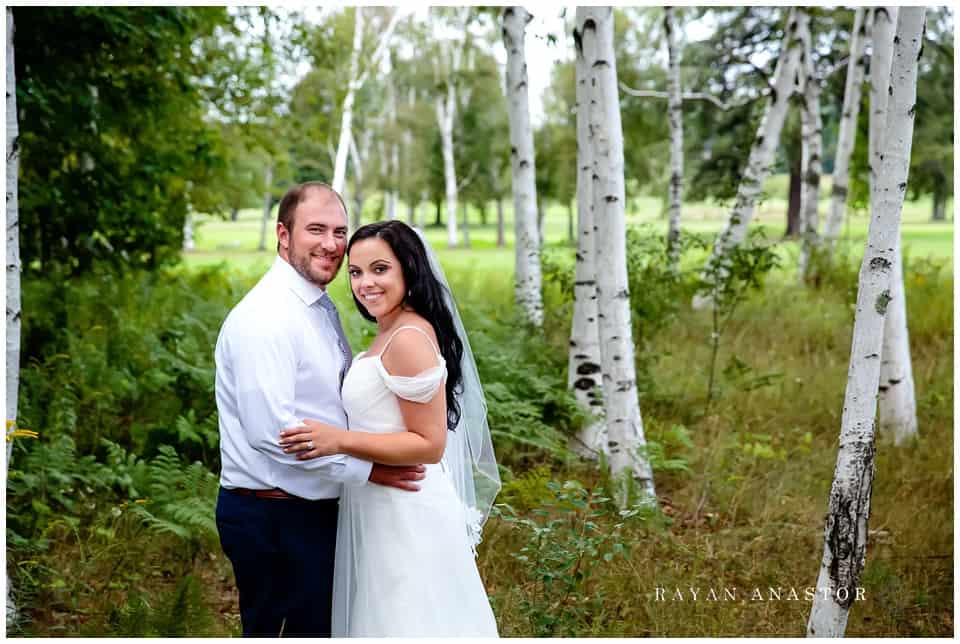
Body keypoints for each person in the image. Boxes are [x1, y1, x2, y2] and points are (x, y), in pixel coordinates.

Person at [213, 182, 426, 637]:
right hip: (274, 516)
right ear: (283, 234)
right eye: (316, 229)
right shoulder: (266, 318)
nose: (331, 244)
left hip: (315, 508)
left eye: (339, 231)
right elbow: (273, 433)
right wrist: (369, 472)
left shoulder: (315, 305)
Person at [278, 220, 501, 637]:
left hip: (406, 509)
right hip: (378, 502)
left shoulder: (409, 338)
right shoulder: (390, 331)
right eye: (356, 273)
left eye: (380, 269)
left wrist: (338, 440)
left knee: (407, 619)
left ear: (408, 270)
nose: (365, 284)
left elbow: (430, 444)